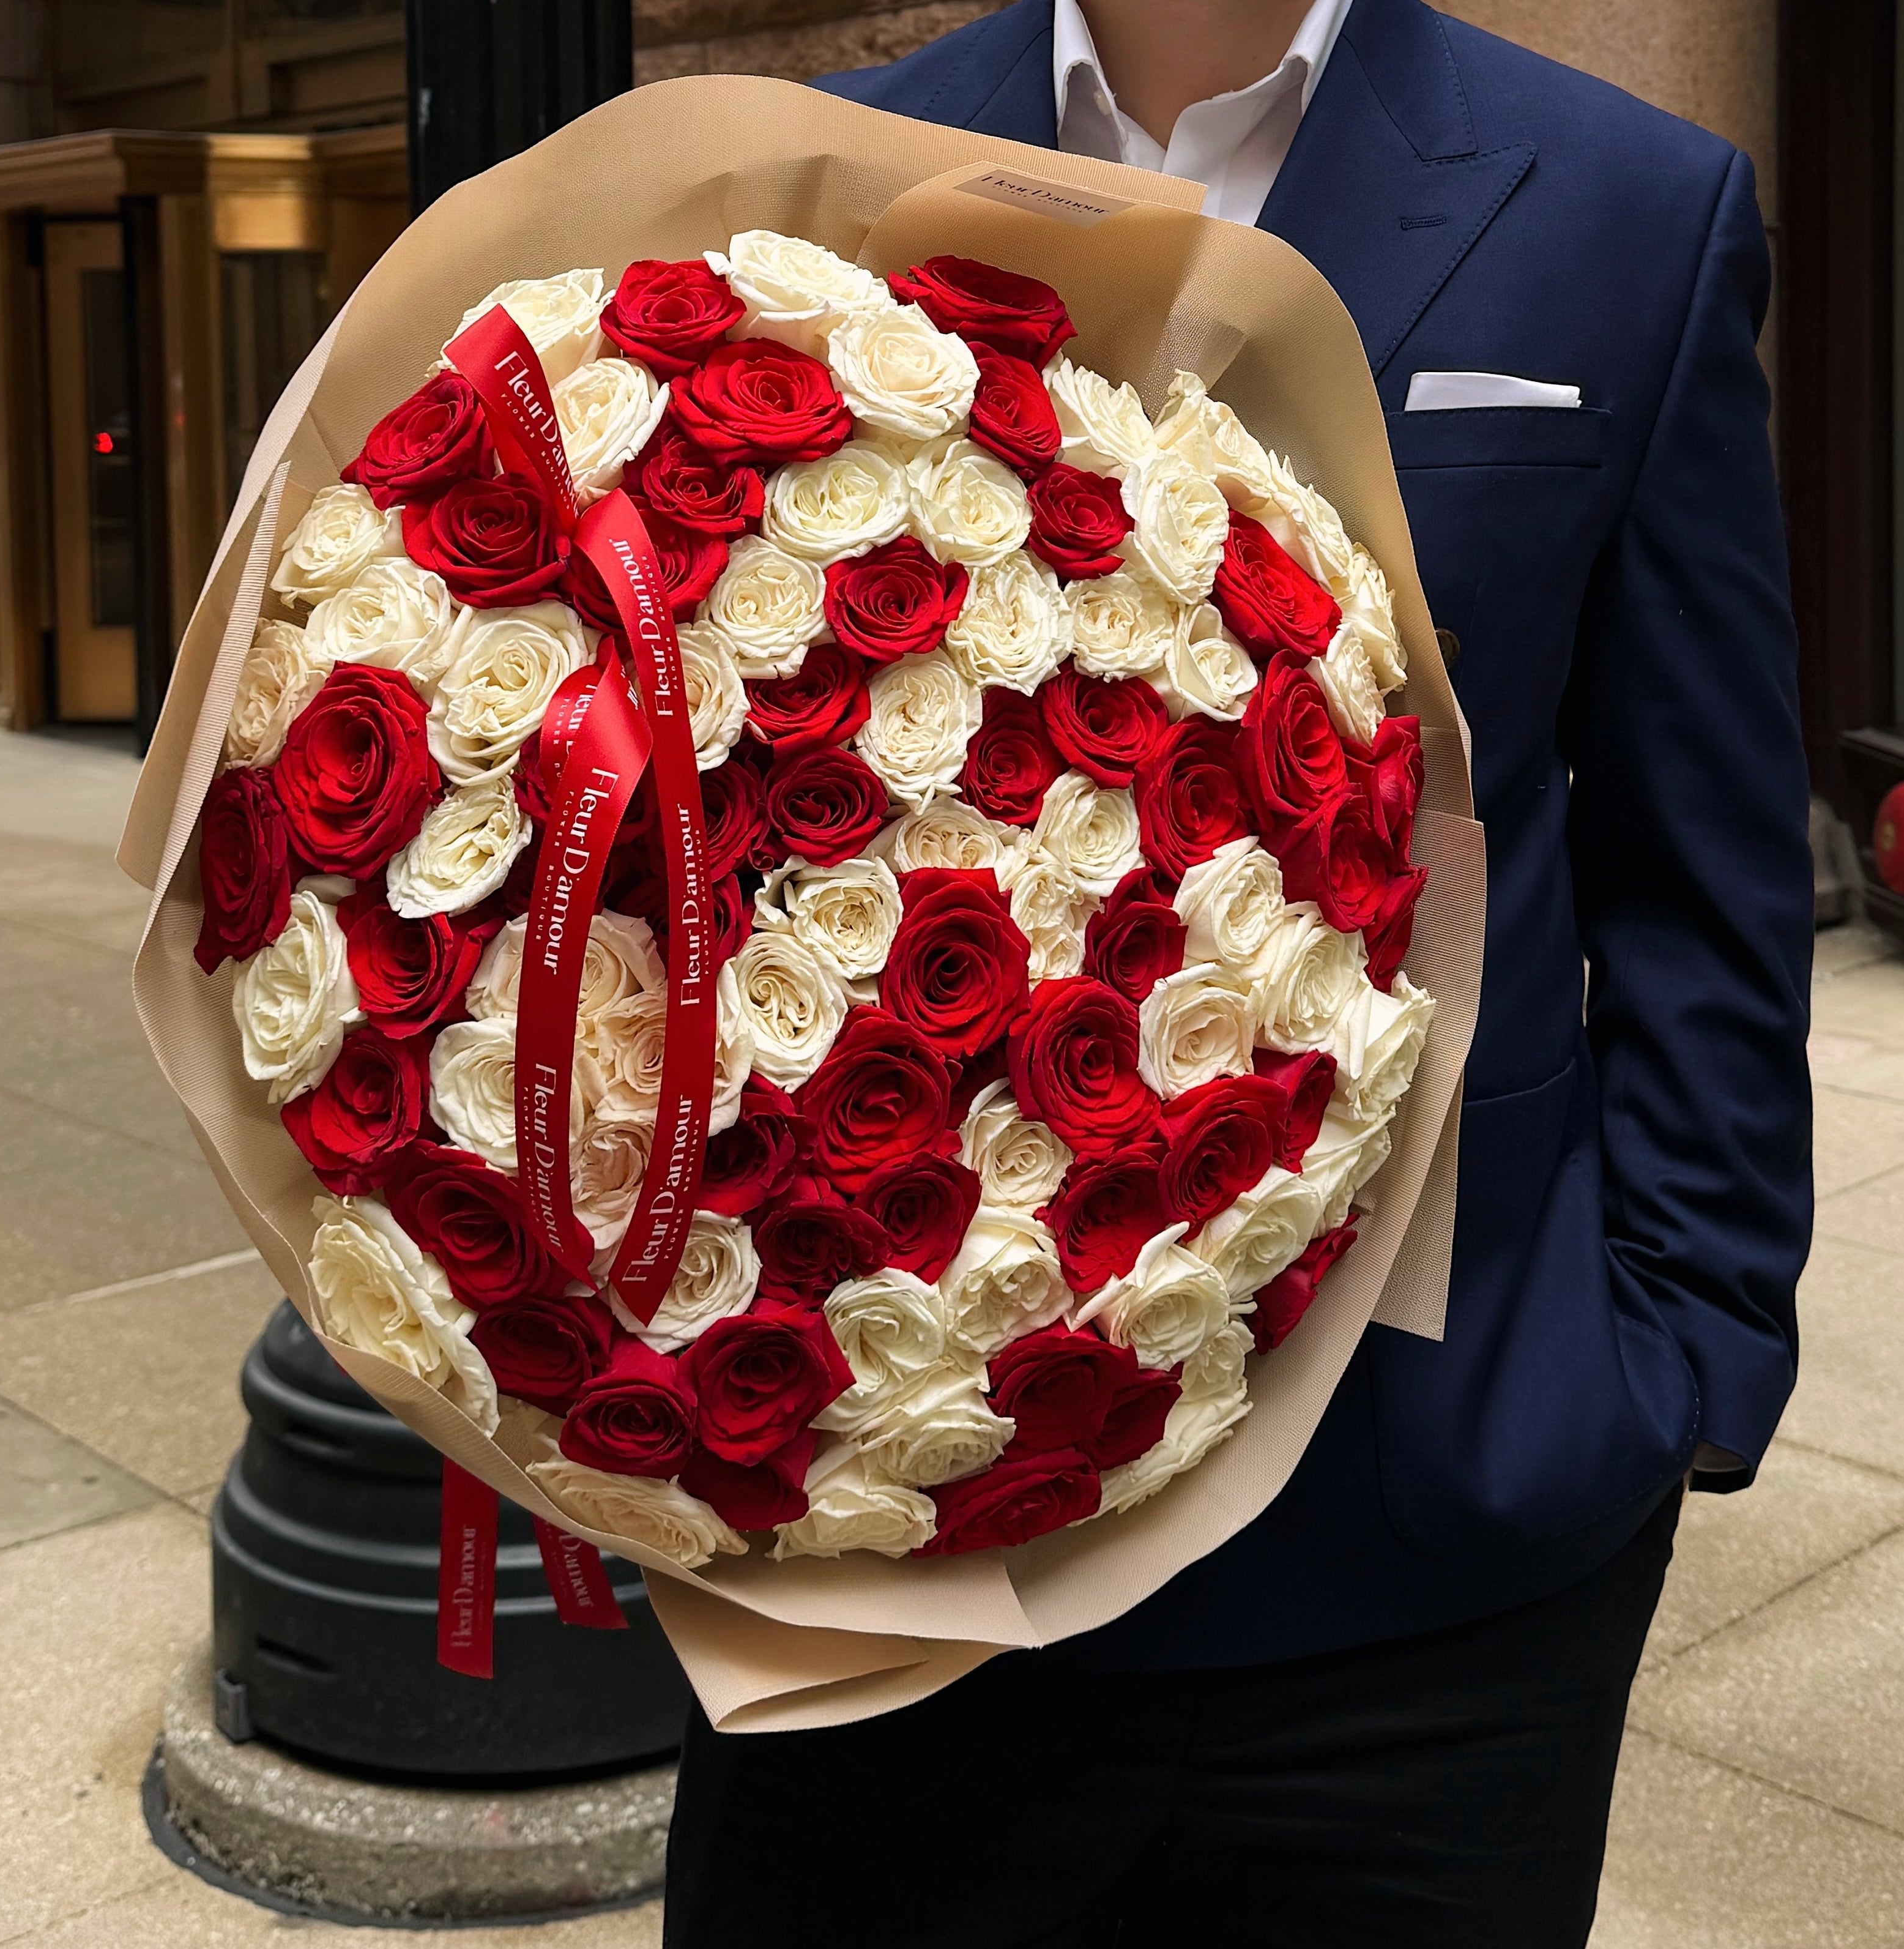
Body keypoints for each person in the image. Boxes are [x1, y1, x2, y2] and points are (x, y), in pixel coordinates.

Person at [662, 2, 1815, 1942]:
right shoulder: (795, 187)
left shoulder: (1631, 204)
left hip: (1438, 1550)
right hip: (874, 1549)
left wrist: (1681, 1362)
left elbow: (1697, 855)